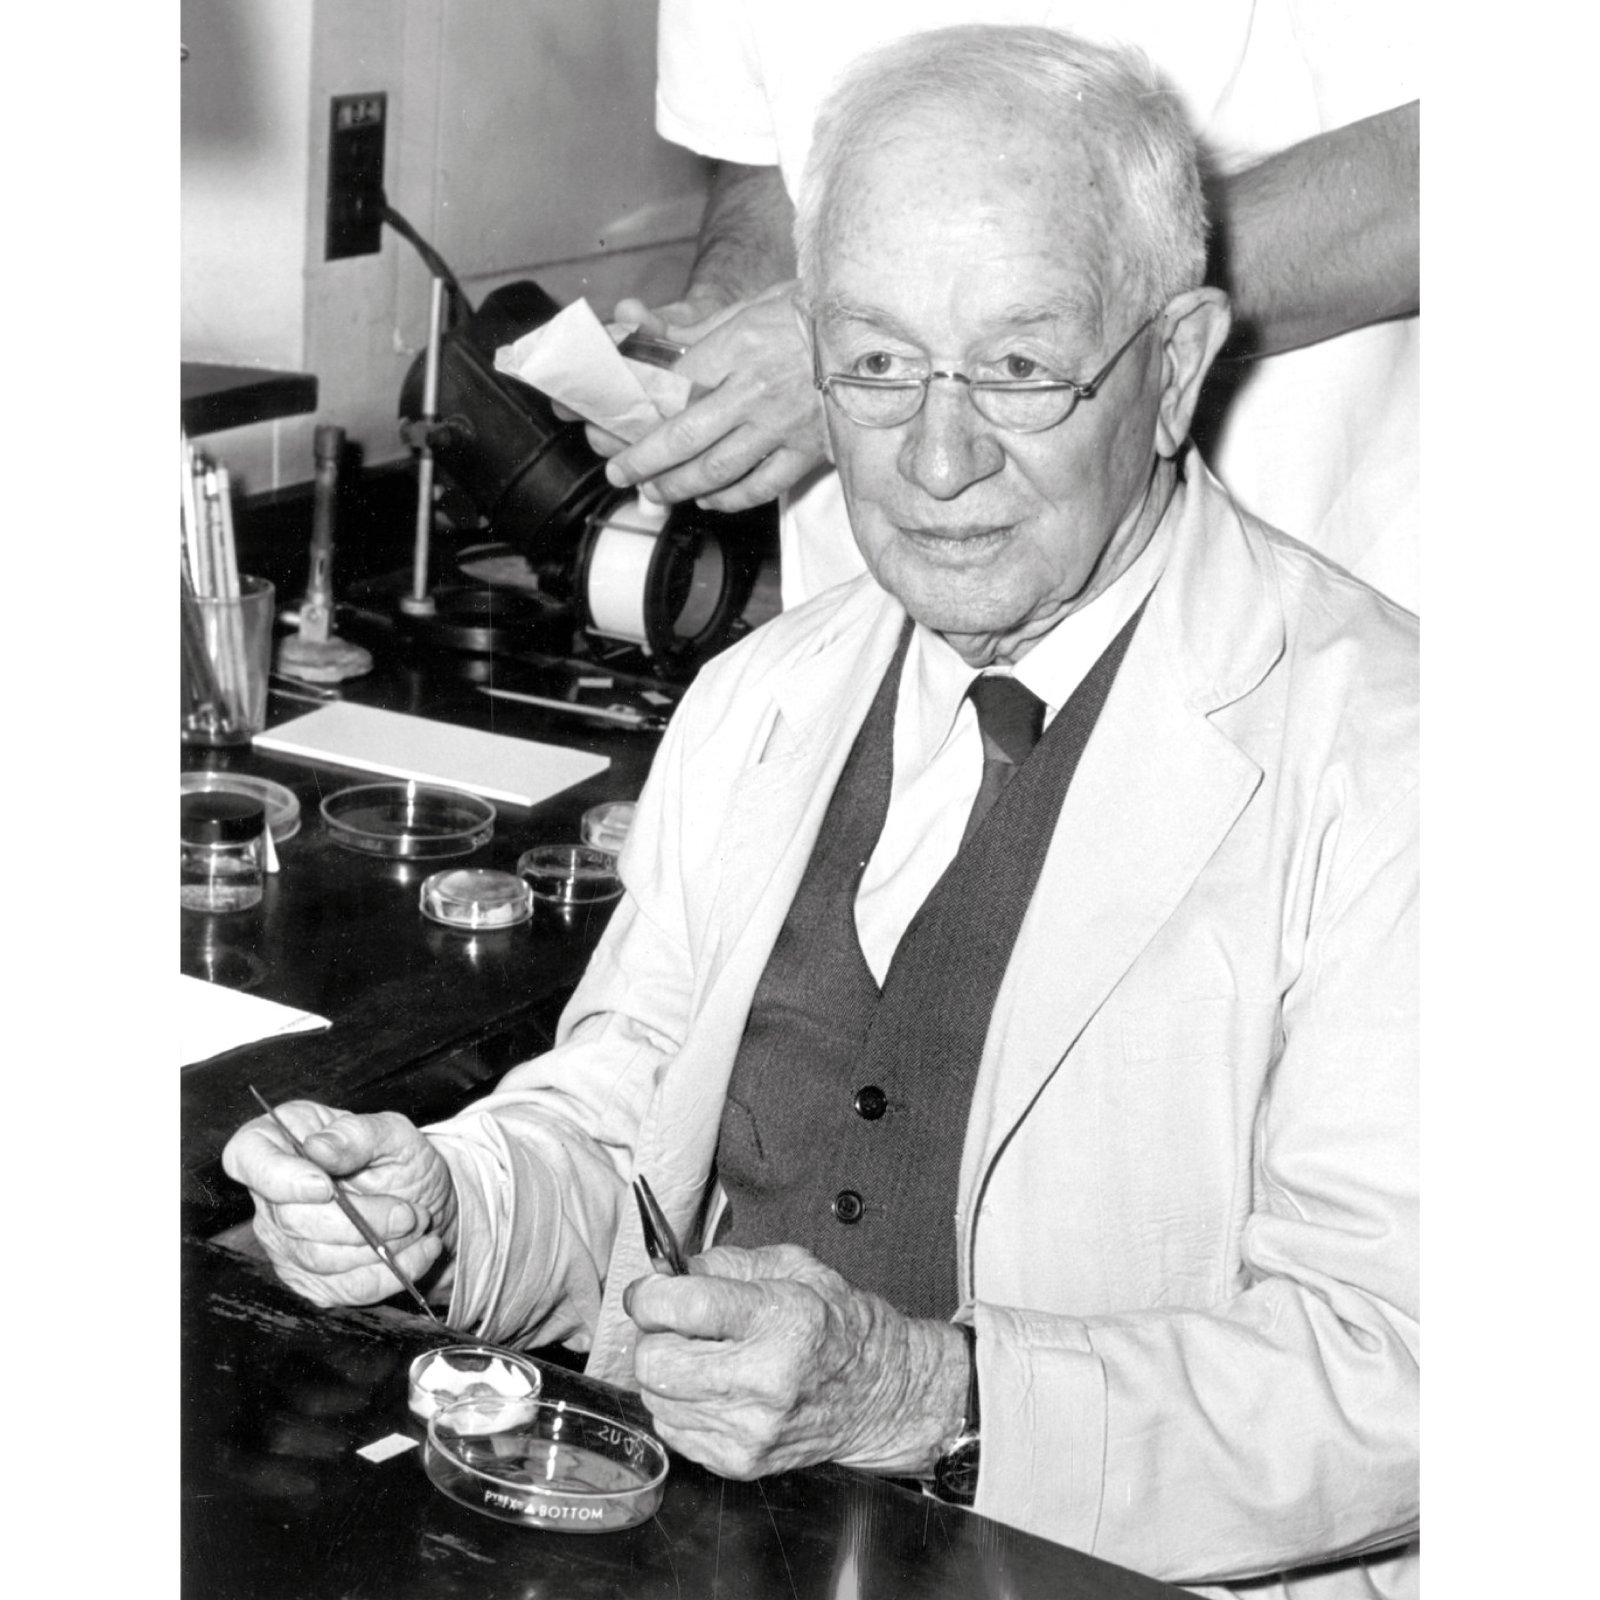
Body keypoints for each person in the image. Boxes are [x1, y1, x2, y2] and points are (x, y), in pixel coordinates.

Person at [224, 26, 1417, 1598]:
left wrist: (935, 1397)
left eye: (1021, 368)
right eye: (873, 364)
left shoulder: (1401, 757)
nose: (938, 458)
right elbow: (625, 1128)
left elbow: (1412, 1371)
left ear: (1178, 367)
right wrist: (450, 1208)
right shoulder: (762, 699)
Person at [595, 0, 1419, 612]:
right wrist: (717, 325)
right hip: (875, 611)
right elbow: (765, 160)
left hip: (1279, 583)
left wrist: (886, 353)